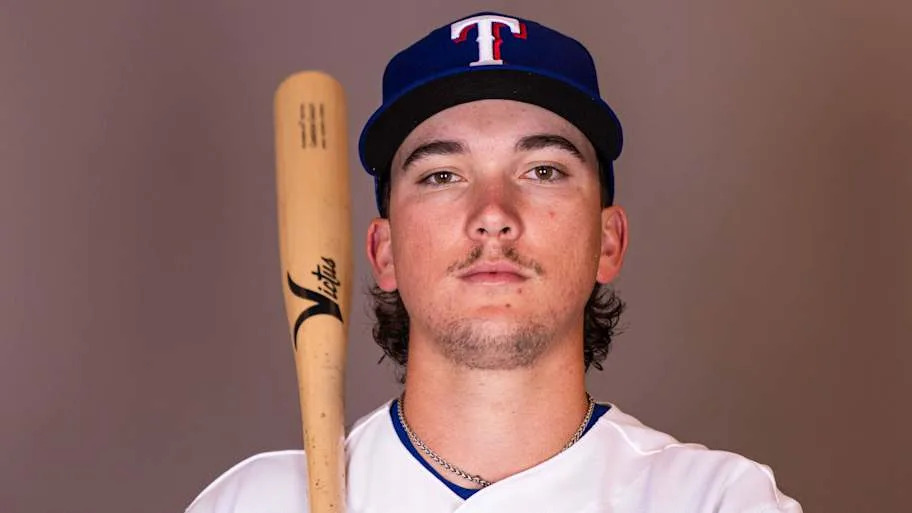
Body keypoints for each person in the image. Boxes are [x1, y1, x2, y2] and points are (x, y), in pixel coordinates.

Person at [186, 11, 802, 513]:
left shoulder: (714, 499)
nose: (493, 212)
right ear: (384, 251)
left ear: (608, 242)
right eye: (442, 174)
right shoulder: (257, 502)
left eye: (543, 171)